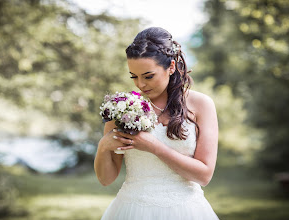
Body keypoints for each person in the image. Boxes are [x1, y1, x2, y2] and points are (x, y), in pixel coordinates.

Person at [94, 27, 219, 220]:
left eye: (148, 76)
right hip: (132, 209)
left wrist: (154, 147)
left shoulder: (201, 105)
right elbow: (106, 179)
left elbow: (204, 176)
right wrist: (103, 147)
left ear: (170, 66)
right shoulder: (123, 108)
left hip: (186, 210)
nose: (141, 85)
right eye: (134, 77)